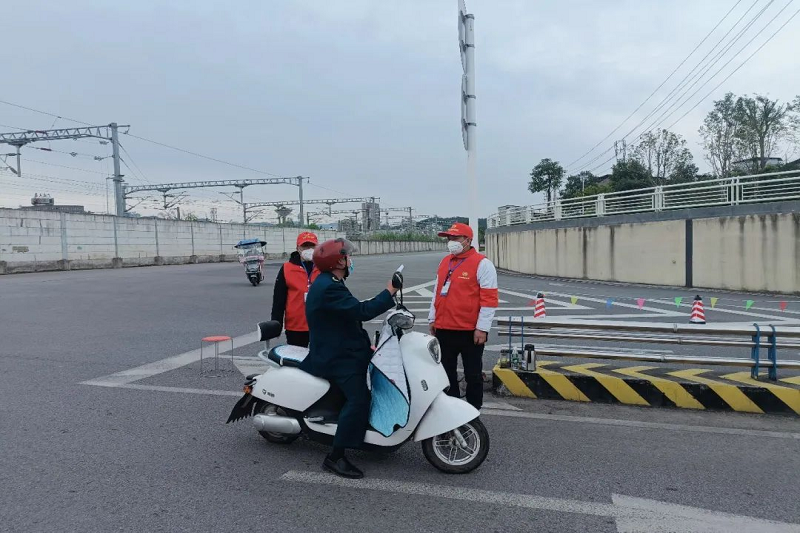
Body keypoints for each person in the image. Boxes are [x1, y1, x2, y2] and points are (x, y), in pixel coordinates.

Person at [299, 238, 399, 479]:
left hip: (341, 349)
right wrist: (389, 292)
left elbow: (347, 316)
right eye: (347, 257)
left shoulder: (329, 282)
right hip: (337, 357)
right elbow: (361, 311)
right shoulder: (329, 287)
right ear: (338, 261)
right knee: (359, 399)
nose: (350, 260)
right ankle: (335, 457)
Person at [428, 223, 498, 410]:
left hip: (470, 331)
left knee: (473, 374)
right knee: (446, 373)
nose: (451, 241)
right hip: (444, 329)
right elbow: (436, 292)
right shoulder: (445, 262)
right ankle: (452, 410)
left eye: (455, 238)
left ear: (468, 240)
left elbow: (489, 299)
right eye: (449, 238)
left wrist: (482, 328)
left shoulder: (482, 264)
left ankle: (473, 410)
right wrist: (432, 318)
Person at [271, 232, 320, 348]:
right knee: (296, 356)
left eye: (312, 246)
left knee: (320, 356)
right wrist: (276, 324)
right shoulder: (287, 268)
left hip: (321, 324)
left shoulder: (324, 266)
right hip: (296, 326)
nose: (309, 249)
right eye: (305, 246)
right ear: (298, 248)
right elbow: (279, 299)